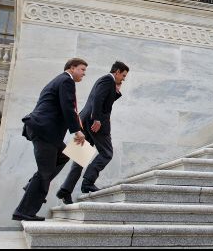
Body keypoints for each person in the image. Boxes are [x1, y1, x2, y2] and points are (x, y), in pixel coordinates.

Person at [13, 58, 87, 221]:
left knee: (65, 155)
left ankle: (32, 185)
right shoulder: (66, 81)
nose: (84, 74)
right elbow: (67, 107)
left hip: (46, 132)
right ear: (72, 68)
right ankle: (24, 211)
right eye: (82, 70)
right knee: (45, 172)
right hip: (44, 131)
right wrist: (77, 131)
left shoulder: (60, 81)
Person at [56, 61, 129, 204]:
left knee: (80, 158)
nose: (124, 79)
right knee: (107, 153)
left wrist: (117, 90)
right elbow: (98, 99)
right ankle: (88, 182)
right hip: (95, 122)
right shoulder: (107, 79)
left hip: (85, 120)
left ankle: (65, 190)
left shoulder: (108, 81)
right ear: (117, 72)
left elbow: (104, 100)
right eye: (124, 75)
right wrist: (97, 119)